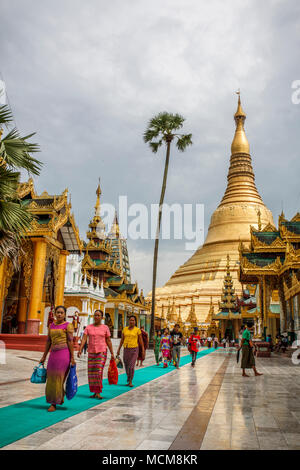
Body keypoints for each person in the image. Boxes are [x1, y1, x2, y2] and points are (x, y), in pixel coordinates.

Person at [40, 305, 75, 412]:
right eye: (57, 312)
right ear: (55, 313)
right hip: (53, 354)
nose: (59, 314)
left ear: (65, 315)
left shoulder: (68, 326)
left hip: (64, 354)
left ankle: (54, 403)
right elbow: (48, 341)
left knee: (59, 378)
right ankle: (59, 396)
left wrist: (72, 357)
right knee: (51, 378)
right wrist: (44, 356)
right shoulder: (52, 325)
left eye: (61, 313)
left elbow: (70, 342)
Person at [78, 310, 114, 399]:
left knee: (98, 371)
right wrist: (80, 349)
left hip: (102, 352)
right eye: (95, 315)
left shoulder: (105, 327)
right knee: (91, 373)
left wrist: (112, 352)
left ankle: (98, 392)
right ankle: (94, 391)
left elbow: (108, 340)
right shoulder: (88, 327)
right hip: (91, 352)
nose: (96, 317)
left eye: (98, 315)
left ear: (102, 317)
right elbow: (84, 339)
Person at [116, 316, 144, 387]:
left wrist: (143, 350)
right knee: (126, 365)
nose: (131, 322)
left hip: (134, 349)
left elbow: (141, 341)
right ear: (128, 321)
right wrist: (119, 349)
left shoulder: (137, 330)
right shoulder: (125, 329)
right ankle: (128, 378)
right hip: (126, 349)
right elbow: (122, 340)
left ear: (135, 322)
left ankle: (130, 381)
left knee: (131, 366)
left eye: (133, 320)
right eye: (130, 320)